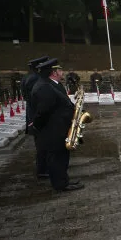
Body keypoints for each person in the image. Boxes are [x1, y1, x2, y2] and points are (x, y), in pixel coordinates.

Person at [30, 59, 84, 192]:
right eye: (60, 70)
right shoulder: (44, 87)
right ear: (54, 72)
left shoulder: (52, 84)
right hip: (53, 129)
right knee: (56, 157)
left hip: (59, 127)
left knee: (61, 157)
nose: (62, 72)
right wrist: (37, 125)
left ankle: (64, 180)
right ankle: (60, 184)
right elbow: (43, 111)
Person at [21, 55, 50, 176]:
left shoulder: (28, 77)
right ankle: (43, 170)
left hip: (33, 113)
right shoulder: (35, 79)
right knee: (42, 143)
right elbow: (37, 99)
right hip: (36, 114)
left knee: (41, 143)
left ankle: (44, 167)